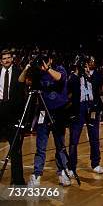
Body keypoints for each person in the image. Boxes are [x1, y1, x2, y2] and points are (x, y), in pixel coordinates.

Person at [20, 52, 72, 188]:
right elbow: (24, 82)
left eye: (45, 60)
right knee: (40, 146)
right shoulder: (37, 73)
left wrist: (47, 69)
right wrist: (28, 68)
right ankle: (37, 175)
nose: (43, 63)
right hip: (43, 111)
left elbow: (60, 79)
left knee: (60, 146)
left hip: (58, 112)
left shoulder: (59, 69)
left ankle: (62, 173)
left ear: (50, 60)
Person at [67, 57, 103, 174]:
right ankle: (71, 166)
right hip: (79, 108)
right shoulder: (73, 77)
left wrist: (89, 75)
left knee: (94, 137)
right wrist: (78, 73)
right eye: (82, 65)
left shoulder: (94, 75)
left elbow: (98, 84)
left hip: (92, 106)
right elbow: (69, 87)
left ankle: (96, 163)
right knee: (74, 139)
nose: (85, 67)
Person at [0, 49, 26, 186]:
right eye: (4, 58)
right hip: (0, 111)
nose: (7, 60)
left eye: (9, 57)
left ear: (12, 59)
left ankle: (18, 181)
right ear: (1, 61)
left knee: (15, 148)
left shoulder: (18, 72)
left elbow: (22, 95)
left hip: (13, 113)